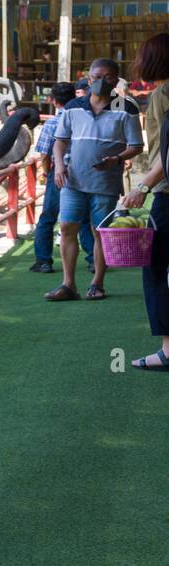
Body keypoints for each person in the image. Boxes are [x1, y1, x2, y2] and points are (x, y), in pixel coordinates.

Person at [46, 71, 143, 301]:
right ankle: (68, 285)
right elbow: (60, 140)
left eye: (108, 77)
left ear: (116, 80)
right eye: (96, 75)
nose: (100, 80)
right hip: (73, 180)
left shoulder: (125, 106)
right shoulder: (73, 105)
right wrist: (59, 166)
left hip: (105, 182)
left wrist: (117, 159)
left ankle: (97, 283)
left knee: (100, 232)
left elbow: (137, 145)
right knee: (67, 227)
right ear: (88, 79)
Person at [118, 33, 169, 369]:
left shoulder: (165, 93)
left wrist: (143, 186)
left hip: (166, 192)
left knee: (155, 267)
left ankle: (168, 350)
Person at [29, 80, 76, 273]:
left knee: (48, 217)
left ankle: (44, 261)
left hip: (59, 172)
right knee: (83, 219)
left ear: (54, 101)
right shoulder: (83, 118)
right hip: (82, 171)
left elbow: (45, 153)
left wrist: (47, 171)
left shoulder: (52, 123)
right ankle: (93, 260)